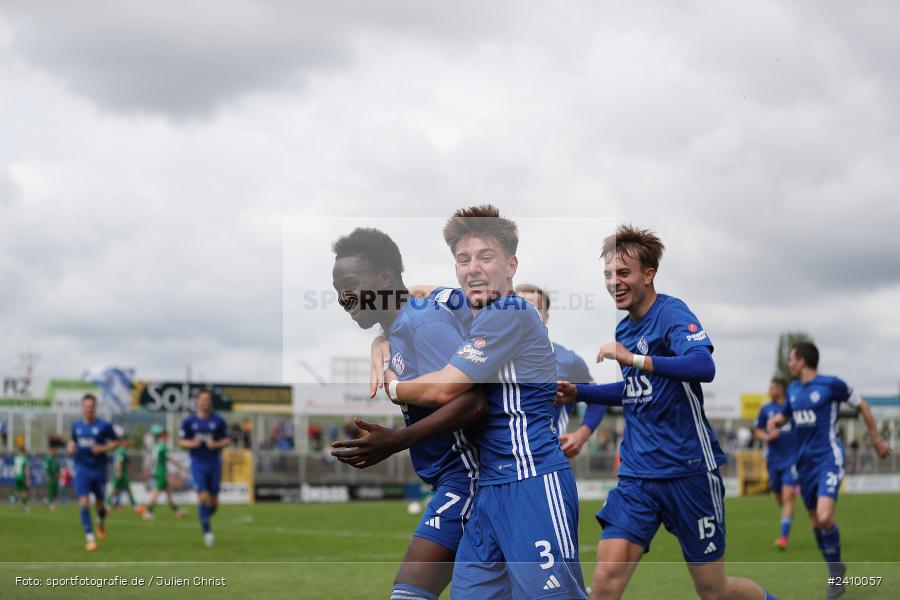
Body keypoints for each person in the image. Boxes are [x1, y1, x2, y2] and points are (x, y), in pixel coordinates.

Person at [557, 224, 775, 600]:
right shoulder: (625, 329)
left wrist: (635, 358)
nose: (614, 282)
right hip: (638, 475)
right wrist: (579, 391)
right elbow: (634, 391)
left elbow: (702, 366)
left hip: (688, 470)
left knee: (714, 591)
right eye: (608, 275)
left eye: (623, 273)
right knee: (606, 580)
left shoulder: (672, 313)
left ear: (649, 274)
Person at [383, 206, 586, 600]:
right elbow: (413, 295)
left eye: (486, 257)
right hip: (487, 490)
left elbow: (445, 389)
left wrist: (393, 385)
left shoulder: (510, 311)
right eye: (463, 259)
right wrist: (381, 339)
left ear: (511, 265)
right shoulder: (466, 305)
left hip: (532, 482)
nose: (473, 268)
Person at [328, 227, 485, 600]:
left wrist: (397, 441)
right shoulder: (399, 329)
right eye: (336, 291)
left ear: (385, 277)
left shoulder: (422, 323)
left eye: (349, 285)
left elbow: (474, 401)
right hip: (456, 479)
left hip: (471, 479)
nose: (342, 299)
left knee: (410, 593)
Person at [767, 341, 891, 598]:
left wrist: (876, 439)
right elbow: (787, 415)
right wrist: (777, 420)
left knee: (824, 517)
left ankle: (835, 577)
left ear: (802, 361)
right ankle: (837, 571)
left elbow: (862, 406)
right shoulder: (792, 390)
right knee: (816, 523)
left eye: (791, 359)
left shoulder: (831, 384)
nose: (789, 363)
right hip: (804, 465)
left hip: (828, 458)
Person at [516, 283, 606, 458]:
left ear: (546, 317)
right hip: (499, 467)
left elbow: (599, 398)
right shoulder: (493, 358)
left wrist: (581, 435)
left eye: (534, 310)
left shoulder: (568, 361)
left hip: (549, 462)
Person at [178, 388, 229, 547]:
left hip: (214, 462)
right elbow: (181, 441)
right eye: (202, 399)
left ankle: (203, 516)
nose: (205, 402)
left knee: (214, 504)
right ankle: (207, 532)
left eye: (207, 400)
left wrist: (216, 444)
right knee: (203, 496)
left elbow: (227, 440)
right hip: (198, 462)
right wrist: (191, 443)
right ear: (197, 401)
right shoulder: (189, 421)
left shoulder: (218, 420)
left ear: (210, 402)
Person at [753, 377, 799, 550]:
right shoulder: (766, 409)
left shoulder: (792, 407)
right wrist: (766, 436)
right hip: (773, 460)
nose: (769, 390)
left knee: (788, 496)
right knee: (779, 497)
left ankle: (783, 538)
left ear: (781, 388)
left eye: (772, 387)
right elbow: (758, 430)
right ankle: (788, 512)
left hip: (791, 459)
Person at [68, 393, 118, 551]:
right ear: (82, 408)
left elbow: (116, 442)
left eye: (91, 406)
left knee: (100, 504)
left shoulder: (104, 426)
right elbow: (73, 440)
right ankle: (90, 537)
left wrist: (103, 448)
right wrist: (70, 446)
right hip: (82, 469)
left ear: (95, 407)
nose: (88, 409)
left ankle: (100, 522)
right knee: (83, 502)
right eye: (86, 406)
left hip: (99, 469)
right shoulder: (76, 426)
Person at [142, 428, 186, 520]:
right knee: (156, 492)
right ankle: (148, 511)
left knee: (168, 492)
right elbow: (169, 459)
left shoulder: (157, 446)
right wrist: (181, 466)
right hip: (161, 471)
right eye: (167, 436)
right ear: (163, 437)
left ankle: (176, 511)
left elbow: (153, 460)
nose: (168, 438)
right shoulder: (163, 447)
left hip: (158, 470)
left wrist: (148, 470)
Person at [107, 426, 138, 511]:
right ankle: (107, 505)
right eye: (128, 441)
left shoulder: (121, 449)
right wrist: (119, 472)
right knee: (116, 490)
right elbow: (119, 462)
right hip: (120, 473)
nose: (129, 442)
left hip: (121, 472)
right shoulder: (121, 450)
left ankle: (134, 506)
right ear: (124, 441)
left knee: (122, 490)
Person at [11, 446, 30, 511]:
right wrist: (27, 478)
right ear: (24, 452)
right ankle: (24, 506)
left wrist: (15, 474)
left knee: (17, 490)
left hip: (17, 476)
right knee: (24, 491)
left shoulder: (16, 458)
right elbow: (26, 469)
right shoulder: (24, 458)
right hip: (23, 477)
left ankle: (12, 501)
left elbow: (14, 468)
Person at [44, 444, 60, 511]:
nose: (55, 452)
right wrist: (47, 477)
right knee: (50, 491)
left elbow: (58, 469)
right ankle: (50, 504)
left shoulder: (56, 459)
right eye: (54, 450)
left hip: (55, 478)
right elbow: (47, 469)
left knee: (55, 492)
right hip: (51, 477)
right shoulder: (49, 459)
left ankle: (50, 503)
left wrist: (58, 475)